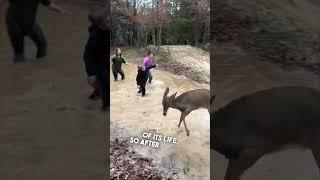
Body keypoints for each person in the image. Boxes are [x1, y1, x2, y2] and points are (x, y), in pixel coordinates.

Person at [0, 0, 70, 63]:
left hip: (29, 23)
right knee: (19, 55)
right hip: (14, 22)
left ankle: (40, 65)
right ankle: (20, 73)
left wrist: (61, 10)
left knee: (42, 44)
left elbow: (48, 4)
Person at [83, 8, 110, 111]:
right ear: (101, 25)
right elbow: (87, 56)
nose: (110, 23)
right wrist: (91, 74)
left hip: (106, 60)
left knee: (105, 83)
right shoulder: (95, 38)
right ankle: (106, 106)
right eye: (107, 22)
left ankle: (99, 93)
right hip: (99, 64)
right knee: (105, 83)